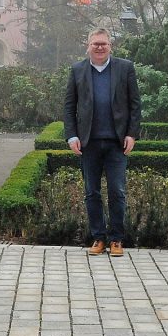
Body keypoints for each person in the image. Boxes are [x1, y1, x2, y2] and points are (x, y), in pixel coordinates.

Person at [64, 27, 141, 257]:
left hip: (117, 142)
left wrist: (132, 134)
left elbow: (135, 105)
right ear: (88, 46)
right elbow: (69, 107)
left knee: (117, 191)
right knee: (91, 192)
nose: (99, 47)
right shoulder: (77, 70)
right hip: (88, 143)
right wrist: (71, 135)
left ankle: (116, 239)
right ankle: (98, 238)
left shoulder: (125, 68)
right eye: (95, 44)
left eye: (103, 44)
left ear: (110, 46)